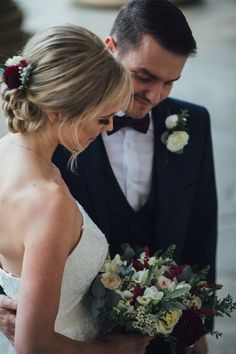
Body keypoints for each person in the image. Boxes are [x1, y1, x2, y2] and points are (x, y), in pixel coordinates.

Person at [0, 1, 217, 354]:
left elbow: (199, 231)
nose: (155, 96)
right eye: (144, 77)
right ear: (110, 48)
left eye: (170, 83)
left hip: (162, 331)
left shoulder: (195, 122)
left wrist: (197, 328)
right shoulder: (57, 140)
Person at [0, 24, 154, 354]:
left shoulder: (6, 153)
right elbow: (35, 345)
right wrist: (117, 349)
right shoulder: (48, 202)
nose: (110, 126)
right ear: (59, 111)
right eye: (103, 118)